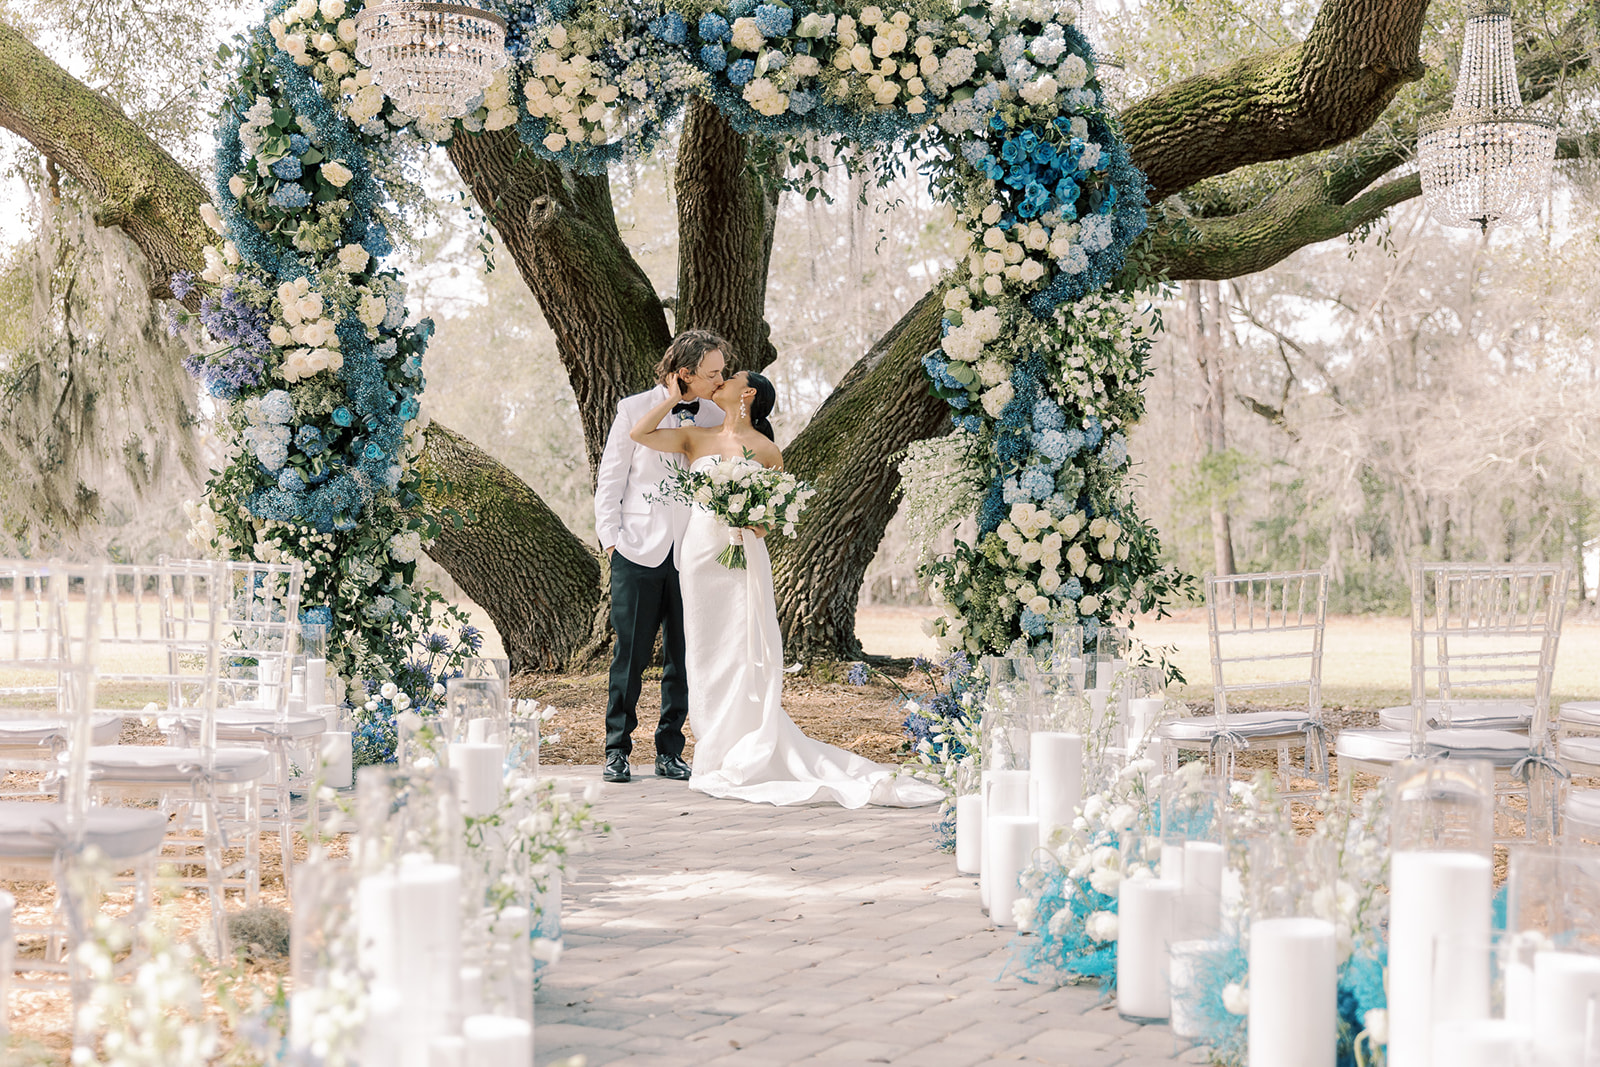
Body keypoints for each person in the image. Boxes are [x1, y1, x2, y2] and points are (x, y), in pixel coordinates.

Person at [629, 368, 942, 807]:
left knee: (739, 649)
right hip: (698, 559)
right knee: (701, 651)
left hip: (740, 559)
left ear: (748, 393)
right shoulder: (693, 436)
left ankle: (742, 745)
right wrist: (672, 396)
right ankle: (713, 745)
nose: (721, 379)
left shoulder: (766, 450)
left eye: (732, 376)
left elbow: (770, 519)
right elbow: (639, 432)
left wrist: (749, 521)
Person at [593, 330, 726, 784]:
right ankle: (617, 750)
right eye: (711, 373)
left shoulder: (712, 414)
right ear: (683, 374)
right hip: (635, 548)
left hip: (692, 551)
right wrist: (611, 539)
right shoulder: (632, 409)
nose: (717, 380)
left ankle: (670, 750)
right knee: (628, 655)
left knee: (682, 656)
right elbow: (611, 479)